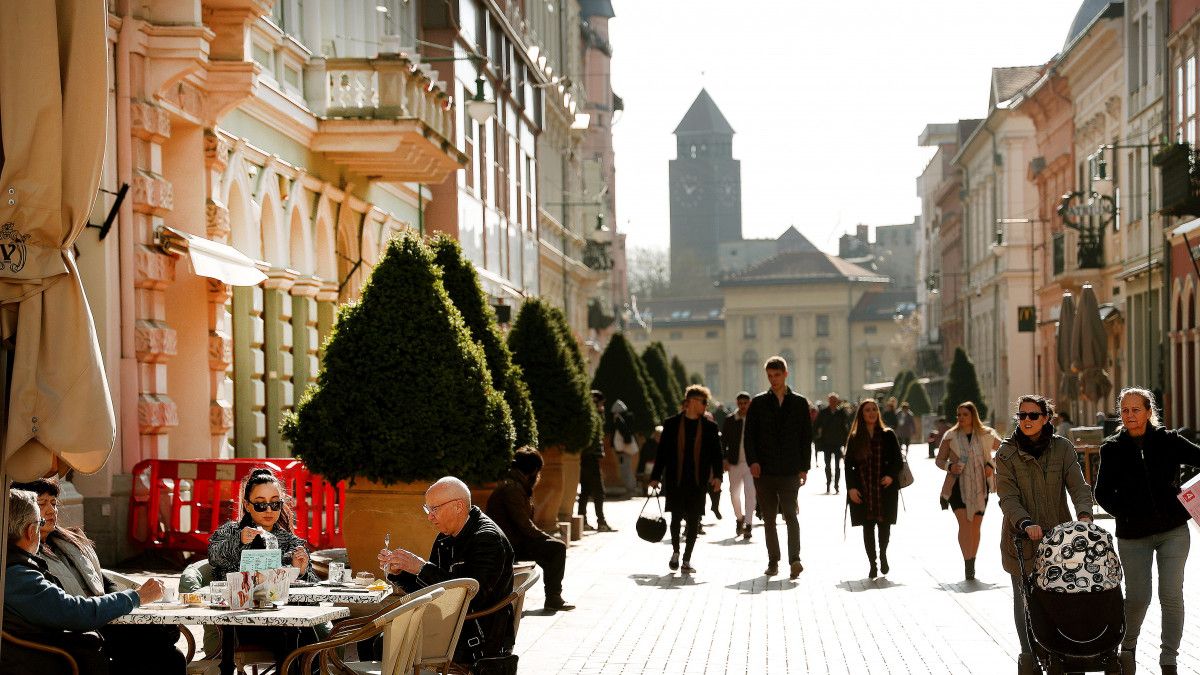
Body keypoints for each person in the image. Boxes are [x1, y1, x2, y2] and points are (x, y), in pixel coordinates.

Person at [11, 478, 184, 674]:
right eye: (41, 505)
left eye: (54, 503)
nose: (51, 511)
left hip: (94, 621)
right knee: (166, 655)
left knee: (166, 638)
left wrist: (128, 599)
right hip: (77, 636)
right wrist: (135, 597)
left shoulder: (66, 541)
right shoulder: (20, 570)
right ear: (27, 526)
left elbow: (98, 580)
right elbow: (71, 612)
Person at [1095, 388, 1200, 675]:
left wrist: (1191, 494)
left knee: (1171, 594)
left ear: (1149, 411)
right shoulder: (1111, 448)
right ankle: (1127, 647)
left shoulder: (1169, 441)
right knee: (1139, 597)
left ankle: (1169, 660)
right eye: (1125, 410)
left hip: (1173, 530)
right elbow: (1101, 493)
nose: (1130, 415)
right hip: (1133, 534)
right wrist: (1127, 512)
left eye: (1136, 409)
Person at [995, 394, 1094, 673]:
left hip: (1059, 539)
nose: (1027, 420)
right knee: (1024, 598)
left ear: (1046, 418)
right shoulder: (1006, 453)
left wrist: (1084, 514)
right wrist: (1025, 522)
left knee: (1061, 596)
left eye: (1033, 415)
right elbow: (1007, 496)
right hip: (1021, 538)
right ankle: (1029, 655)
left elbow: (1078, 485)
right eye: (1022, 415)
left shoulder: (1061, 448)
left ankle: (1063, 650)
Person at [380, 477, 515, 665]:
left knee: (382, 644)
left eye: (434, 509)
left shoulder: (487, 539)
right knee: (375, 640)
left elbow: (472, 596)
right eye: (427, 509)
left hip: (476, 636)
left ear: (459, 506)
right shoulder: (446, 536)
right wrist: (401, 572)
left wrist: (420, 567)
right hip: (451, 624)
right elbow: (433, 591)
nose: (429, 516)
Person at [208, 468, 320, 664]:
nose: (269, 510)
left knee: (308, 640)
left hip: (285, 618)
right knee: (293, 636)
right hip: (240, 620)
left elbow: (314, 592)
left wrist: (300, 572)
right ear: (247, 505)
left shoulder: (292, 542)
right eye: (260, 505)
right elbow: (214, 556)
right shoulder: (231, 531)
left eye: (275, 504)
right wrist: (239, 541)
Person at [744, 355, 813, 579]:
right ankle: (773, 561)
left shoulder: (800, 403)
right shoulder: (759, 403)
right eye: (770, 376)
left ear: (786, 374)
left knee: (791, 515)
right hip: (764, 471)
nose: (774, 379)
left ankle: (795, 559)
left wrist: (805, 467)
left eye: (777, 375)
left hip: (791, 469)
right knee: (769, 519)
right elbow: (750, 436)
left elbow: (806, 437)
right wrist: (753, 461)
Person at [486, 447, 575, 612]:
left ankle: (553, 597)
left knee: (552, 547)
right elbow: (524, 525)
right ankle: (553, 598)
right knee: (557, 548)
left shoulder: (516, 485)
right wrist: (546, 537)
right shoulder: (512, 488)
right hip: (509, 545)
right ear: (534, 471)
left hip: (513, 541)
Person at [650, 385, 723, 573]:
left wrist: (718, 477)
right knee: (675, 517)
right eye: (703, 402)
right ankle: (675, 552)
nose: (706, 406)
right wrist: (655, 476)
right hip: (676, 479)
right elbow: (663, 453)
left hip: (698, 480)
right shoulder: (672, 424)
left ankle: (686, 559)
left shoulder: (709, 427)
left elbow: (717, 454)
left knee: (693, 519)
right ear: (690, 402)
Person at [935, 402, 1001, 581]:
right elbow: (939, 460)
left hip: (981, 485)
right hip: (957, 486)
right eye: (958, 414)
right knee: (964, 524)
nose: (961, 418)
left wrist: (991, 465)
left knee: (976, 526)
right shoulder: (950, 436)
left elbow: (1004, 451)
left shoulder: (986, 435)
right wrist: (950, 466)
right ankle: (967, 564)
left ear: (973, 415)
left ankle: (973, 560)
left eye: (964, 414)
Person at [844, 399, 903, 579]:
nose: (871, 413)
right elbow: (848, 466)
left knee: (884, 525)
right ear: (861, 415)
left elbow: (898, 461)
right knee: (867, 527)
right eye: (867, 410)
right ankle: (872, 563)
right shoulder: (855, 437)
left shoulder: (888, 434)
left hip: (884, 488)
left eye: (874, 409)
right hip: (863, 488)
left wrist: (891, 476)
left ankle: (883, 554)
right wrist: (851, 488)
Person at [721, 392, 756, 539]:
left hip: (750, 463)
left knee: (750, 493)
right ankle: (739, 518)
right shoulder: (730, 420)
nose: (742, 406)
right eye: (740, 403)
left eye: (745, 403)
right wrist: (724, 459)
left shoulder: (754, 420)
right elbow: (723, 441)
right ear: (737, 403)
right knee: (734, 494)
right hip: (734, 463)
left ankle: (748, 523)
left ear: (749, 403)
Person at [579, 390, 614, 532]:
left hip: (587, 458)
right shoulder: (592, 419)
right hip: (590, 458)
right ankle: (601, 522)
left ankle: (583, 521)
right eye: (600, 404)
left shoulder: (593, 418)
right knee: (598, 492)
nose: (602, 407)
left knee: (586, 491)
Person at [813, 393, 852, 494]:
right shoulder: (824, 413)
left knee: (838, 466)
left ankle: (836, 485)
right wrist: (816, 437)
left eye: (835, 401)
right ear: (828, 401)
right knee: (827, 465)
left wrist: (846, 441)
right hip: (827, 443)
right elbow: (816, 425)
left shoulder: (841, 413)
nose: (833, 403)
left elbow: (846, 427)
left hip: (838, 443)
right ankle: (828, 483)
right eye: (831, 400)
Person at [608, 399, 640, 497]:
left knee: (625, 469)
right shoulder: (628, 418)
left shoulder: (620, 420)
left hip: (623, 449)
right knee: (626, 469)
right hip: (624, 449)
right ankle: (631, 488)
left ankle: (631, 490)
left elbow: (624, 432)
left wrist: (618, 420)